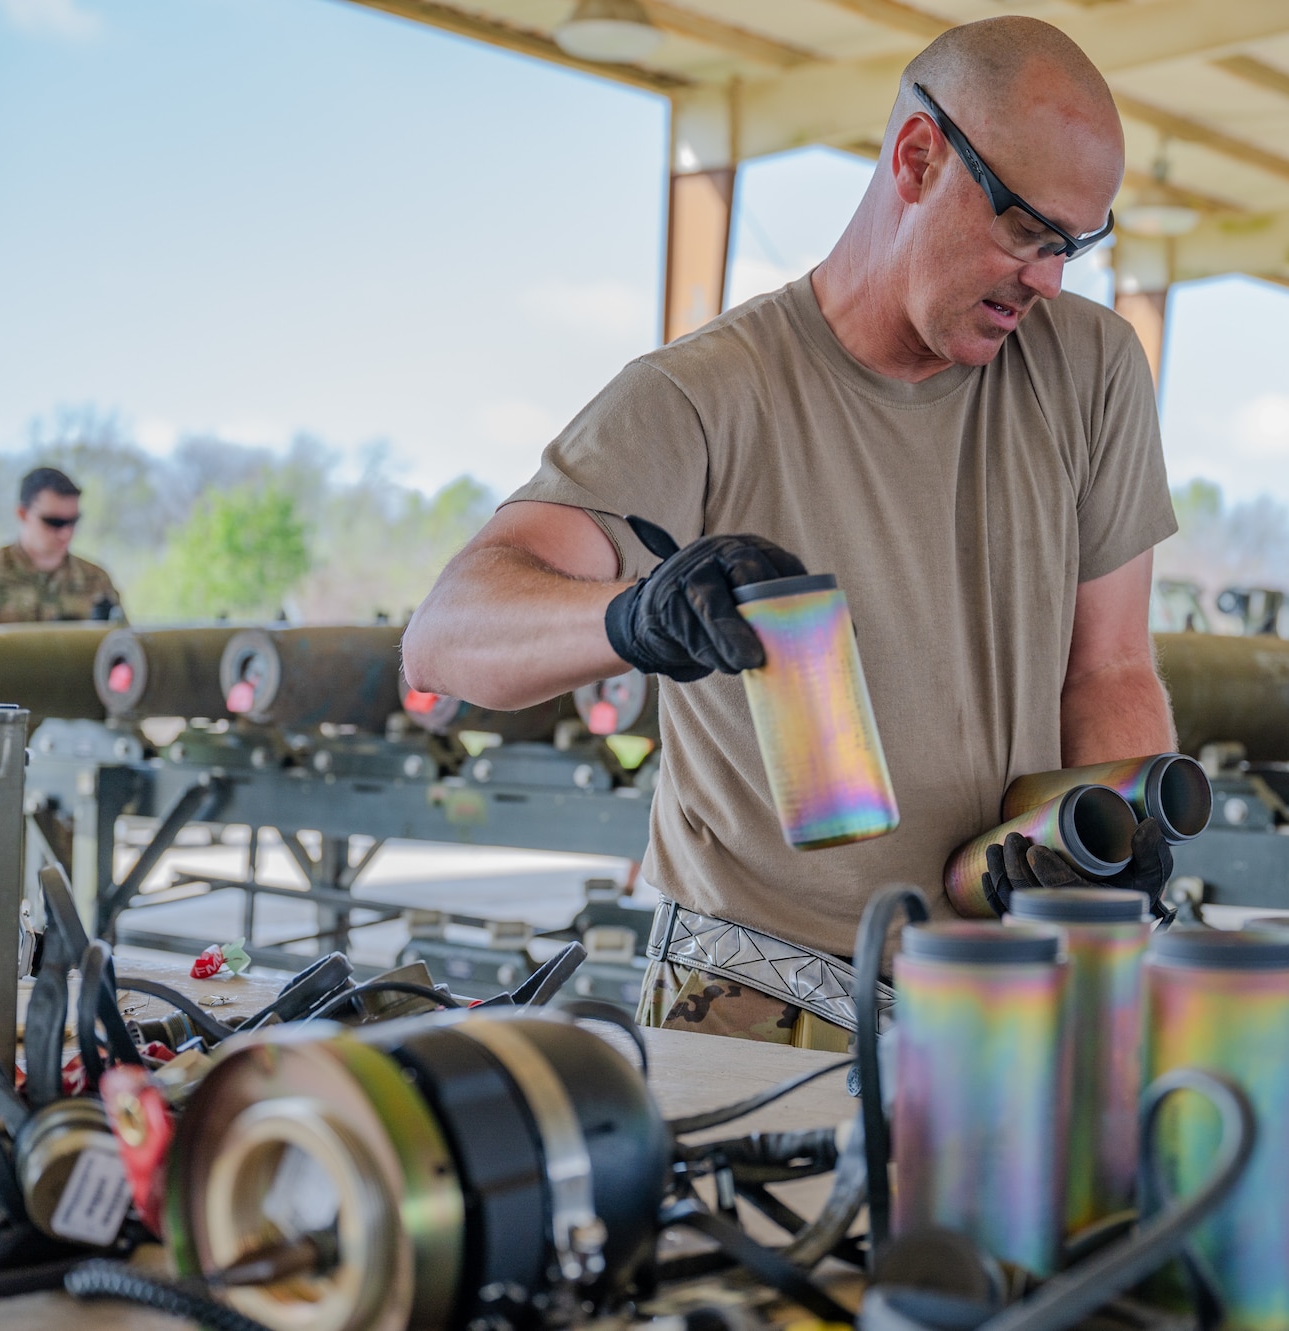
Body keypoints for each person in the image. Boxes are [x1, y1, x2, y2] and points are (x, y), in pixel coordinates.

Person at [404, 18, 1177, 1051]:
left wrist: (1119, 845)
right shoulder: (702, 397)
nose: (1046, 280)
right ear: (916, 159)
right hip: (748, 1001)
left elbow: (1111, 668)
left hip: (998, 992)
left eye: (1071, 247)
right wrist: (635, 616)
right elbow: (446, 636)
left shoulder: (1088, 368)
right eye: (1027, 232)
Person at [0, 467, 120, 624]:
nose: (65, 533)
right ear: (23, 514)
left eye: (72, 521)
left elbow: (122, 643)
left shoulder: (96, 580)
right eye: (54, 522)